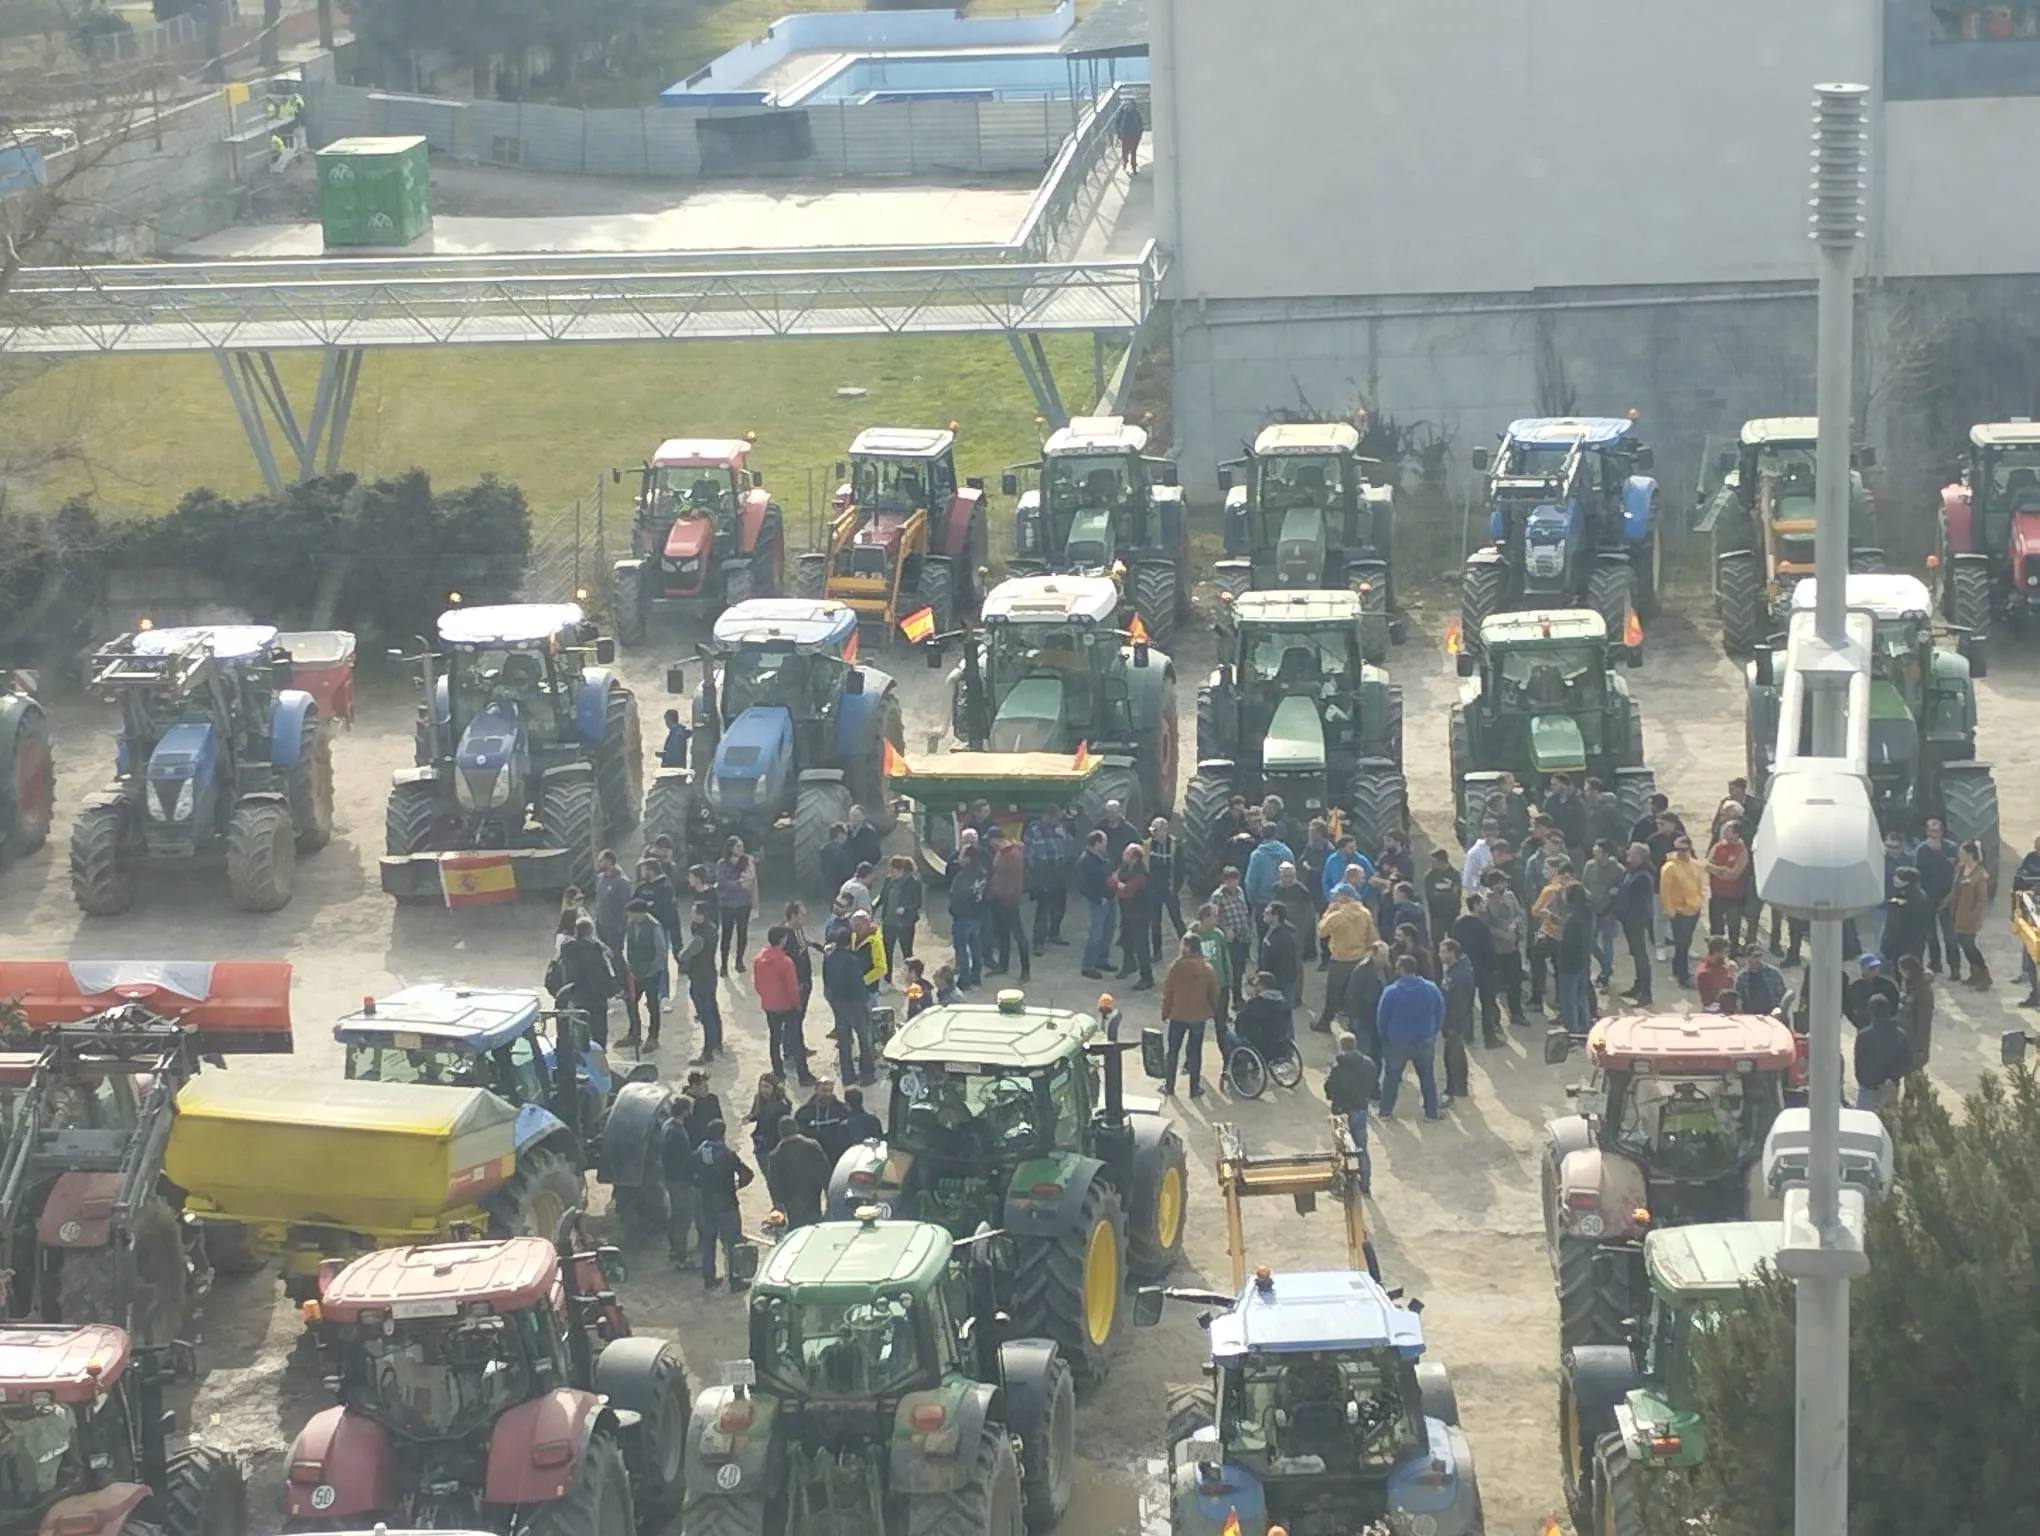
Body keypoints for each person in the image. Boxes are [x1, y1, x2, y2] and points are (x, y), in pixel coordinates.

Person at [1375, 955, 1444, 1120]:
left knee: (1391, 1076)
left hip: (1397, 1040)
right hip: (1424, 1038)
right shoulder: (1431, 988)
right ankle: (1431, 1112)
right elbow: (1440, 1012)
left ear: (1400, 970)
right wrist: (1433, 1031)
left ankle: (1385, 1112)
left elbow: (1381, 1019)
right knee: (1426, 1075)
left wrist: (1385, 1037)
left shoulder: (1391, 992)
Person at [690, 1120, 753, 1289]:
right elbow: (747, 1173)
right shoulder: (728, 1154)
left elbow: (691, 1176)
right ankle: (734, 1279)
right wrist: (737, 1185)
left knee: (708, 1243)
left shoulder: (697, 1154)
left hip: (707, 1205)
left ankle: (709, 1278)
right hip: (727, 1204)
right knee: (732, 1243)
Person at [1160, 936, 1219, 1098]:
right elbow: (1213, 993)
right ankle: (1194, 1088)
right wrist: (1214, 1012)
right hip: (1198, 1016)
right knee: (1195, 1052)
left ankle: (1169, 1086)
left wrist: (1165, 1012)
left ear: (1185, 947)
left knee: (1172, 1051)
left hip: (1178, 1014)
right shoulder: (1206, 968)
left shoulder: (1175, 968)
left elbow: (1168, 993)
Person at [1315, 887, 1378, 1033]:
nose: (1333, 899)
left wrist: (1329, 911)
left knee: (1333, 993)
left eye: (1336, 896)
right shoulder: (1365, 913)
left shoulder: (1338, 916)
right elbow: (1372, 936)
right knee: (1353, 994)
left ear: (1345, 897)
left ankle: (1325, 1022)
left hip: (1340, 959)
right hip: (1359, 958)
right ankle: (1354, 1025)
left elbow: (1321, 931)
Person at [1324, 1031, 1376, 1195]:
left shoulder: (1337, 1067)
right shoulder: (1368, 1064)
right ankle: (1365, 1184)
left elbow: (1329, 1089)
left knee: (1341, 1149)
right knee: (1361, 1147)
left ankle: (1341, 1186)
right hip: (1360, 1108)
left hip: (1341, 1111)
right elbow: (1373, 1085)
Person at [753, 927, 808, 1082]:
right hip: (786, 1005)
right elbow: (792, 988)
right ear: (783, 940)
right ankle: (803, 1075)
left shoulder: (758, 959)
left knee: (774, 1038)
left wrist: (765, 997)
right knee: (795, 1039)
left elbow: (757, 983)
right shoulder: (785, 962)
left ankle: (778, 1071)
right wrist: (797, 1003)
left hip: (769, 1004)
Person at [554, 917, 618, 1049]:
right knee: (598, 1034)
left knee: (580, 1034)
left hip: (575, 999)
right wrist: (611, 991)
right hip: (594, 1001)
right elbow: (598, 978)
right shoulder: (591, 954)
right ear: (591, 932)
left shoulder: (567, 951)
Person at [822, 928, 874, 1085]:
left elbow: (826, 980)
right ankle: (866, 1074)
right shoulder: (851, 960)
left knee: (844, 1040)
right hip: (854, 1003)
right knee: (864, 1038)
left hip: (838, 1003)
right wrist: (864, 1000)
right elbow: (857, 983)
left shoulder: (829, 958)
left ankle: (847, 1075)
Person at [619, 899, 671, 1052]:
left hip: (650, 973)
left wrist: (652, 971)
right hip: (634, 971)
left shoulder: (654, 926)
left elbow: (661, 951)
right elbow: (627, 944)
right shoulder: (631, 923)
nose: (631, 916)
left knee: (652, 1004)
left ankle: (653, 1037)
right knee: (630, 1001)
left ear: (640, 914)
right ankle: (634, 1033)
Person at [1452, 891, 1501, 1047]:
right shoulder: (1482, 927)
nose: (1484, 906)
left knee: (1467, 1003)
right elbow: (1488, 950)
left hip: (1466, 967)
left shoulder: (1458, 923)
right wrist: (1493, 968)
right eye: (1481, 903)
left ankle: (1467, 1035)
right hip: (1483, 969)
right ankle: (1490, 1037)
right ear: (1475, 905)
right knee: (1487, 1003)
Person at [1480, 866, 1528, 1024]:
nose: (1504, 886)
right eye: (1501, 883)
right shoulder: (1485, 901)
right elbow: (1486, 925)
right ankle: (1495, 1019)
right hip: (1496, 950)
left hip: (1512, 947)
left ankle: (1516, 1013)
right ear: (1493, 885)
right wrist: (1502, 934)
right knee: (1495, 987)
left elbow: (1520, 914)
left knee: (1515, 983)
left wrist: (1514, 926)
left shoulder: (1510, 896)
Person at [678, 902, 723, 1064]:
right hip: (710, 974)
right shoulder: (712, 929)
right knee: (713, 1009)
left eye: (693, 912)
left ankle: (707, 1052)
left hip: (699, 977)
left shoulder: (700, 936)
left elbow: (684, 955)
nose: (691, 915)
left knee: (705, 1015)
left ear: (700, 915)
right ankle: (717, 1042)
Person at [766, 1114, 830, 1228]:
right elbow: (825, 1171)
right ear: (796, 1127)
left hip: (791, 1199)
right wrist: (827, 1190)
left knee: (797, 1227)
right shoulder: (812, 1145)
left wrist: (779, 1203)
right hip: (812, 1193)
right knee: (814, 1224)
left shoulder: (775, 1155)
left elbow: (774, 1182)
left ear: (780, 1132)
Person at [1658, 833, 1705, 987]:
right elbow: (1665, 892)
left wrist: (1699, 903)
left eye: (1684, 849)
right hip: (1679, 912)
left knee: (1685, 943)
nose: (1681, 852)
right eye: (1678, 849)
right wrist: (1670, 912)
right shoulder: (1669, 867)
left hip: (1694, 910)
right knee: (1682, 945)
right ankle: (1683, 976)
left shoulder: (1695, 865)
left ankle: (1677, 969)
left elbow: (1698, 886)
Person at [946, 830, 990, 988]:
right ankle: (976, 975)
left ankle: (964, 979)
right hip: (978, 914)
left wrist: (953, 911)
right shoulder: (982, 872)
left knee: (961, 949)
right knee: (976, 946)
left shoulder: (962, 877)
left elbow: (956, 897)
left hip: (963, 917)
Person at [1613, 843, 1656, 1006]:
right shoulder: (1631, 871)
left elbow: (1638, 902)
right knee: (1636, 954)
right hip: (1629, 920)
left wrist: (1628, 915)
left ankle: (1645, 993)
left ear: (1640, 856)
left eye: (1632, 853)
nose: (1628, 855)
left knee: (1641, 955)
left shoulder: (1643, 875)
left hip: (1637, 921)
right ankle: (1638, 986)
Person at [1024, 805, 1073, 946]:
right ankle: (1038, 941)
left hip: (1059, 871)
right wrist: (1035, 874)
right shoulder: (1034, 830)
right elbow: (1028, 854)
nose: (1059, 821)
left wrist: (1064, 835)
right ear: (1049, 816)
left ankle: (1054, 933)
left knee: (1059, 906)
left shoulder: (1058, 830)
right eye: (1057, 818)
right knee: (1043, 909)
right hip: (1043, 873)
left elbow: (1071, 848)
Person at [1852, 995, 1911, 1111]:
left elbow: (1858, 1064)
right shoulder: (1901, 1035)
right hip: (1890, 1089)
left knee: (1864, 1125)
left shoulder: (1863, 1036)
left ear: (1870, 1012)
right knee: (1888, 1125)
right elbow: (1906, 1062)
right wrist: (1891, 1079)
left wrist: (1868, 1081)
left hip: (1868, 1090)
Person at [1912, 816, 1955, 974]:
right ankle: (1935, 964)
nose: (1933, 834)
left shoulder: (1950, 848)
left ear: (1942, 832)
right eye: (1930, 830)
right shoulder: (1921, 850)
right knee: (1930, 935)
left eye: (1936, 831)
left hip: (1946, 897)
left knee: (1949, 936)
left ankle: (1954, 968)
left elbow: (1952, 869)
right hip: (1928, 897)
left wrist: (1937, 853)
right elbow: (1918, 872)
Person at [987, 830, 1031, 981]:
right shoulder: (1003, 853)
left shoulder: (1012, 855)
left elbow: (1011, 878)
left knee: (1018, 935)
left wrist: (1007, 894)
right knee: (1003, 934)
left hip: (1009, 899)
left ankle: (1025, 971)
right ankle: (1002, 965)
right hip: (999, 898)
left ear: (996, 840)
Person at [1946, 838, 1991, 987]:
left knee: (1969, 945)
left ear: (1970, 854)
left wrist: (1974, 916)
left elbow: (1981, 900)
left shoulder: (1980, 875)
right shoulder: (1960, 869)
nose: (1959, 854)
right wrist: (1945, 903)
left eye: (1962, 852)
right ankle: (1974, 973)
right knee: (1964, 945)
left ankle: (1984, 974)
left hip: (1970, 917)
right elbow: (1955, 889)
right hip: (1958, 914)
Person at [1110, 842, 1155, 988]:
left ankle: (1147, 977)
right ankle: (1128, 965)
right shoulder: (1124, 867)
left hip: (1140, 914)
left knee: (1141, 946)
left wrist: (1120, 885)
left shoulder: (1141, 873)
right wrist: (1118, 885)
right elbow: (1112, 881)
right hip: (1127, 912)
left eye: (1127, 853)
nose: (1123, 855)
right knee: (1126, 941)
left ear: (1134, 857)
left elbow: (1127, 892)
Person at [658, 1101, 696, 1268]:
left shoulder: (667, 1126)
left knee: (675, 1216)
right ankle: (681, 1257)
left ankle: (675, 1250)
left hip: (669, 1178)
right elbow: (685, 1160)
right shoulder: (679, 1133)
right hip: (681, 1181)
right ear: (686, 1111)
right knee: (683, 1218)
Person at [1581, 838, 1622, 989]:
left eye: (1598, 852)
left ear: (1606, 854)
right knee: (1590, 943)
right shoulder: (1589, 866)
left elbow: (1622, 889)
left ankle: (1605, 975)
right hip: (1592, 909)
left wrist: (1616, 893)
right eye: (1594, 852)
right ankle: (1607, 967)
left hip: (1608, 911)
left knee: (1607, 944)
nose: (1595, 855)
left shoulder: (1617, 869)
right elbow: (1583, 884)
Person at [1705, 818, 1751, 950]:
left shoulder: (1742, 851)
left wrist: (1718, 871)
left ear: (1737, 834)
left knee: (1733, 926)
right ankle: (1714, 951)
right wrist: (1723, 870)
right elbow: (1707, 865)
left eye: (1728, 830)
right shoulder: (1718, 846)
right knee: (1715, 925)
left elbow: (1734, 874)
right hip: (1716, 894)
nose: (1724, 831)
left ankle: (1733, 952)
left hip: (1733, 896)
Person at [1554, 884, 1594, 1039]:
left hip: (1569, 964)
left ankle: (1573, 1033)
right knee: (1581, 996)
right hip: (1583, 961)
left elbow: (1567, 943)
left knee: (1569, 1000)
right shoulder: (1587, 912)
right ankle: (1585, 1026)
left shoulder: (1572, 919)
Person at [1211, 865, 1253, 1007]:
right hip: (1229, 940)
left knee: (1240, 970)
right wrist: (1225, 929)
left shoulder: (1240, 892)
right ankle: (1224, 1002)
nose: (1232, 884)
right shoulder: (1218, 896)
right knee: (1229, 971)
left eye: (1234, 880)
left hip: (1243, 937)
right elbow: (1214, 917)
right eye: (1228, 881)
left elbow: (1244, 912)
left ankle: (1237, 997)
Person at [1438, 936, 1474, 1099]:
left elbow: (1459, 1003)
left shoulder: (1459, 975)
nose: (1440, 955)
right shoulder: (1452, 969)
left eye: (1443, 951)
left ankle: (1456, 1088)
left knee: (1454, 1057)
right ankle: (1457, 1087)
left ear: (1452, 953)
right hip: (1451, 1021)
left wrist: (1451, 1025)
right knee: (1452, 1055)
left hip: (1455, 1023)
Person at [876, 854, 921, 982]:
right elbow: (882, 897)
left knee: (907, 952)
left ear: (901, 870)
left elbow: (918, 903)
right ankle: (887, 977)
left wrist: (905, 909)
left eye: (893, 871)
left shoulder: (913, 883)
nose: (890, 873)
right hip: (889, 922)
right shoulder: (889, 881)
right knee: (887, 951)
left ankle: (912, 977)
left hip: (905, 924)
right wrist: (873, 907)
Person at [1189, 903, 1234, 1028]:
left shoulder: (1218, 934)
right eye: (1214, 916)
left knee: (1221, 1021)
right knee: (1198, 1022)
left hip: (1219, 982)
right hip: (1201, 985)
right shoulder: (1192, 936)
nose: (1217, 919)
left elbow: (1225, 957)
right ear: (1205, 917)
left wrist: (1228, 979)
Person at [1148, 816, 1187, 952]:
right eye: (1152, 831)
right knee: (1155, 923)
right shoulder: (1148, 845)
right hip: (1153, 891)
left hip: (1169, 890)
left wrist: (1176, 888)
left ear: (1164, 831)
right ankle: (1157, 951)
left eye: (1156, 831)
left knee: (1177, 920)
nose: (1153, 834)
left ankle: (1188, 948)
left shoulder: (1175, 846)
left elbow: (1181, 869)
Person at [1896, 952, 1935, 1081]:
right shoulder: (1907, 983)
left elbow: (1924, 1020)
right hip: (1904, 1034)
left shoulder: (1924, 991)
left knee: (1914, 1073)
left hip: (1915, 1038)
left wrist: (1920, 1047)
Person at [1882, 865, 1932, 967]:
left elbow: (1893, 923)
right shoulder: (1921, 895)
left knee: (1902, 968)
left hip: (1902, 940)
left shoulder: (1901, 898)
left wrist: (1886, 943)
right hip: (1917, 939)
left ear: (1908, 881)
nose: (1895, 879)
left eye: (1899, 877)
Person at [797, 1076, 854, 1163]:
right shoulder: (804, 1112)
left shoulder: (842, 1109)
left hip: (838, 1158)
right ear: (816, 1090)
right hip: (814, 1159)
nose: (828, 1094)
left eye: (830, 1091)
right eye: (824, 1090)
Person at [1244, 823, 1295, 917]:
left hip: (1262, 903)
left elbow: (1251, 881)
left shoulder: (1257, 856)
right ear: (1276, 834)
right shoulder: (1287, 853)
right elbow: (1292, 878)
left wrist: (1252, 901)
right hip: (1283, 901)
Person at [745, 1072, 793, 1168]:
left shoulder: (782, 1104)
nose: (763, 1090)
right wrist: (748, 1118)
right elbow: (755, 1114)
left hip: (776, 1144)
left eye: (767, 1087)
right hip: (761, 1143)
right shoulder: (758, 1098)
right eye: (762, 1086)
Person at [1259, 900, 1300, 1011]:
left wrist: (1270, 980)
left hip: (1280, 982)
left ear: (1276, 916)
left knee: (1282, 1014)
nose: (1264, 914)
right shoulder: (1271, 931)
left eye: (1267, 913)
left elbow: (1284, 962)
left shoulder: (1284, 937)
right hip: (1273, 980)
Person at [1843, 953, 1900, 1031]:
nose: (1874, 970)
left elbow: (1895, 1005)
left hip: (1885, 1028)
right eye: (1871, 968)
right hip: (1863, 1027)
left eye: (1876, 967)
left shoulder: (1888, 985)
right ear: (1862, 968)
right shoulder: (1855, 987)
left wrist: (1887, 1021)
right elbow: (1847, 1007)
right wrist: (1857, 1022)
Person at [1421, 847, 1462, 947]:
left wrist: (1441, 895)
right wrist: (1445, 895)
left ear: (1442, 861)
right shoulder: (1429, 876)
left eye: (1434, 861)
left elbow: (1455, 895)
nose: (1432, 864)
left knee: (1454, 942)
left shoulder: (1454, 874)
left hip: (1452, 914)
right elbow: (1431, 896)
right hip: (1436, 916)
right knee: (1437, 944)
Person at [593, 849, 631, 955]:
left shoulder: (622, 881)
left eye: (601, 861)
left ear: (609, 861)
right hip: (601, 925)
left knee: (616, 956)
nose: (598, 864)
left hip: (615, 928)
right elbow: (599, 901)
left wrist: (620, 926)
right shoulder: (600, 879)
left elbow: (626, 906)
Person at [1736, 943, 1789, 1018]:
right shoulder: (1741, 977)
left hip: (1771, 1013)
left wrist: (1778, 1009)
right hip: (1751, 1014)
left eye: (1760, 956)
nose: (1758, 959)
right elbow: (1739, 997)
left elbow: (1781, 992)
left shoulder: (1772, 972)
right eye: (1755, 956)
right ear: (1747, 957)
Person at [1694, 937, 1735, 1010]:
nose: (1727, 955)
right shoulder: (1704, 973)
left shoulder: (1724, 966)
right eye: (1725, 952)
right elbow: (1707, 1000)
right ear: (1716, 953)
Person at [820, 823, 856, 902]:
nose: (846, 837)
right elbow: (847, 870)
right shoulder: (841, 852)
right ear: (840, 835)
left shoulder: (824, 849)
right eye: (845, 834)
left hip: (829, 884)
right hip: (841, 885)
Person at [845, 803, 882, 873]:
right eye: (851, 815)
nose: (853, 818)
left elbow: (875, 853)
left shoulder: (869, 832)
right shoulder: (845, 830)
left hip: (862, 871)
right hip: (846, 869)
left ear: (863, 817)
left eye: (856, 816)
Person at [1116, 94, 1144, 172]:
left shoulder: (1134, 113)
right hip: (1126, 135)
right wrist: (1119, 133)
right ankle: (1126, 163)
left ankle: (1133, 166)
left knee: (1132, 152)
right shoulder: (1124, 113)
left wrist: (1139, 134)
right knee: (1126, 151)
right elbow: (1117, 123)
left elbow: (1140, 124)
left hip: (1133, 135)